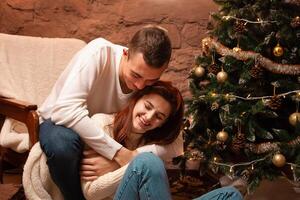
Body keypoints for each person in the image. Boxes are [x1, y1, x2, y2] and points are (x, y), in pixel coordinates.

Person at [38, 25, 172, 200]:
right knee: (63, 145)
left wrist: (129, 159)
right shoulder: (99, 53)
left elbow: (175, 144)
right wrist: (119, 154)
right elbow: (65, 111)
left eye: (151, 80)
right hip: (61, 124)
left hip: (108, 133)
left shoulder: (151, 83)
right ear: (126, 54)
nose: (140, 86)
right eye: (136, 75)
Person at [79, 81, 243, 200]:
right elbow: (91, 192)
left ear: (163, 123)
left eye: (159, 116)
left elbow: (178, 144)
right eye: (148, 106)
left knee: (230, 195)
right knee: (148, 160)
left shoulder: (152, 139)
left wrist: (126, 160)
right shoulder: (101, 123)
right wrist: (133, 166)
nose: (148, 117)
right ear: (137, 99)